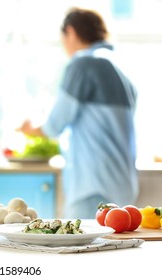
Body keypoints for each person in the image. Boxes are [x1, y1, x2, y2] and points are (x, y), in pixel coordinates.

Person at [18, 7, 139, 218]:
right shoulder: (120, 65)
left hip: (92, 188)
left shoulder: (84, 63)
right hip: (123, 185)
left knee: (81, 246)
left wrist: (29, 129)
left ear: (71, 32)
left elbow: (54, 125)